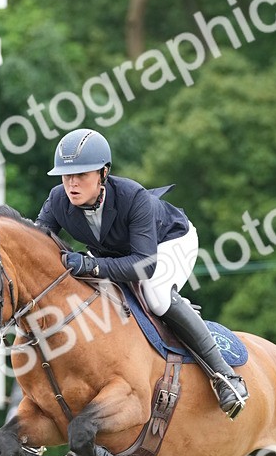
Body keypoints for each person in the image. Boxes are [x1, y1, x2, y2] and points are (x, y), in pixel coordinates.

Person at [35, 128, 248, 418]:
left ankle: (225, 377)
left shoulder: (132, 197)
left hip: (168, 243)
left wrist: (90, 265)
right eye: (66, 176)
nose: (72, 184)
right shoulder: (58, 199)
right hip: (117, 254)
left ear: (103, 173)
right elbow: (37, 242)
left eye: (81, 175)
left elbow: (143, 266)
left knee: (156, 295)